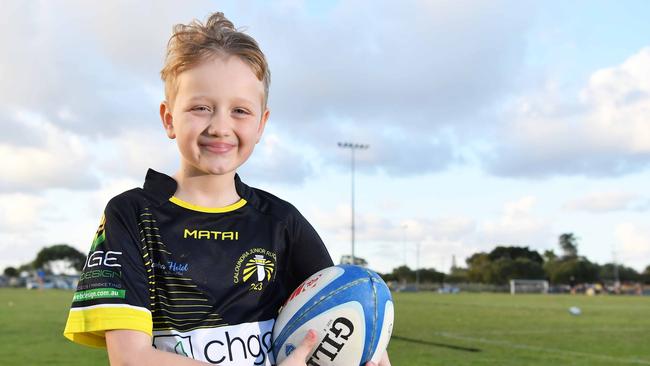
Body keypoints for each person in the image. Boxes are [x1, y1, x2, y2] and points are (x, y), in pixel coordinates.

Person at [62, 12, 390, 366]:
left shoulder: (281, 222)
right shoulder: (132, 215)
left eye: (239, 111)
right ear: (169, 118)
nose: (220, 126)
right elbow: (130, 358)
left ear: (261, 123)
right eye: (201, 107)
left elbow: (344, 302)